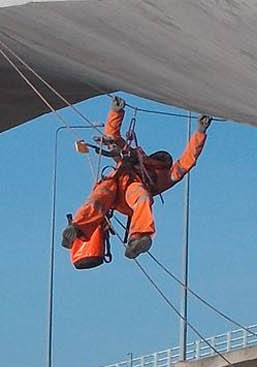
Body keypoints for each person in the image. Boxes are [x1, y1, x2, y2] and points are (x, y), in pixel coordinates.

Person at [61, 97, 211, 263]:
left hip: (129, 194)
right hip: (115, 184)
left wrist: (200, 133)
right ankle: (77, 228)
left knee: (140, 196)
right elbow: (113, 138)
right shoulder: (137, 157)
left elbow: (186, 161)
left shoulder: (163, 176)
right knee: (99, 198)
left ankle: (138, 237)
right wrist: (116, 112)